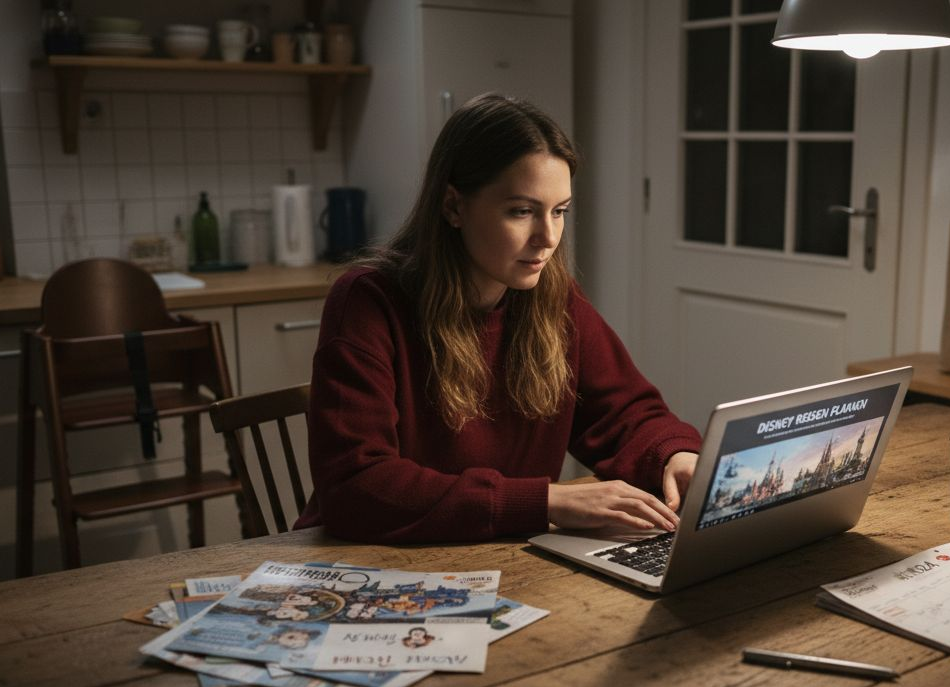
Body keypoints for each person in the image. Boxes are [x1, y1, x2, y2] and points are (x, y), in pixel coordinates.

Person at [294, 93, 701, 544]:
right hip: (367, 562)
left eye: (560, 211)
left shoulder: (554, 298)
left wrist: (675, 456)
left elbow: (627, 414)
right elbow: (356, 487)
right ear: (453, 206)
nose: (547, 238)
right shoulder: (369, 303)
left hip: (502, 559)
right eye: (521, 211)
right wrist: (547, 502)